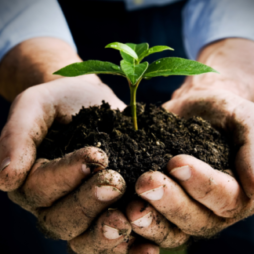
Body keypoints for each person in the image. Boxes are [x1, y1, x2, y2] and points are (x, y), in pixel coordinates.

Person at [1, 0, 254, 253]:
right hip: (62, 24)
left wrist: (230, 77)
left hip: (190, 22)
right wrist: (42, 68)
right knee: (38, 234)